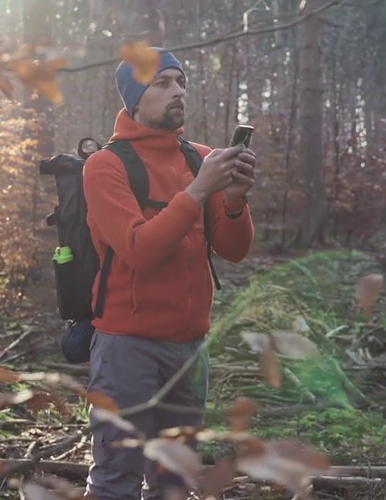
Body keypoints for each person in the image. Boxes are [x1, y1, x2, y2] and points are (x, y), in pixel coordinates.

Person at [81, 48, 256, 500]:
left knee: (174, 481)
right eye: (163, 83)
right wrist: (199, 191)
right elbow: (140, 250)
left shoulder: (200, 158)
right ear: (135, 97)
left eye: (180, 81)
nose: (178, 90)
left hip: (189, 350)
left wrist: (234, 199)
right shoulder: (105, 165)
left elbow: (234, 251)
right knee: (116, 479)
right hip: (126, 347)